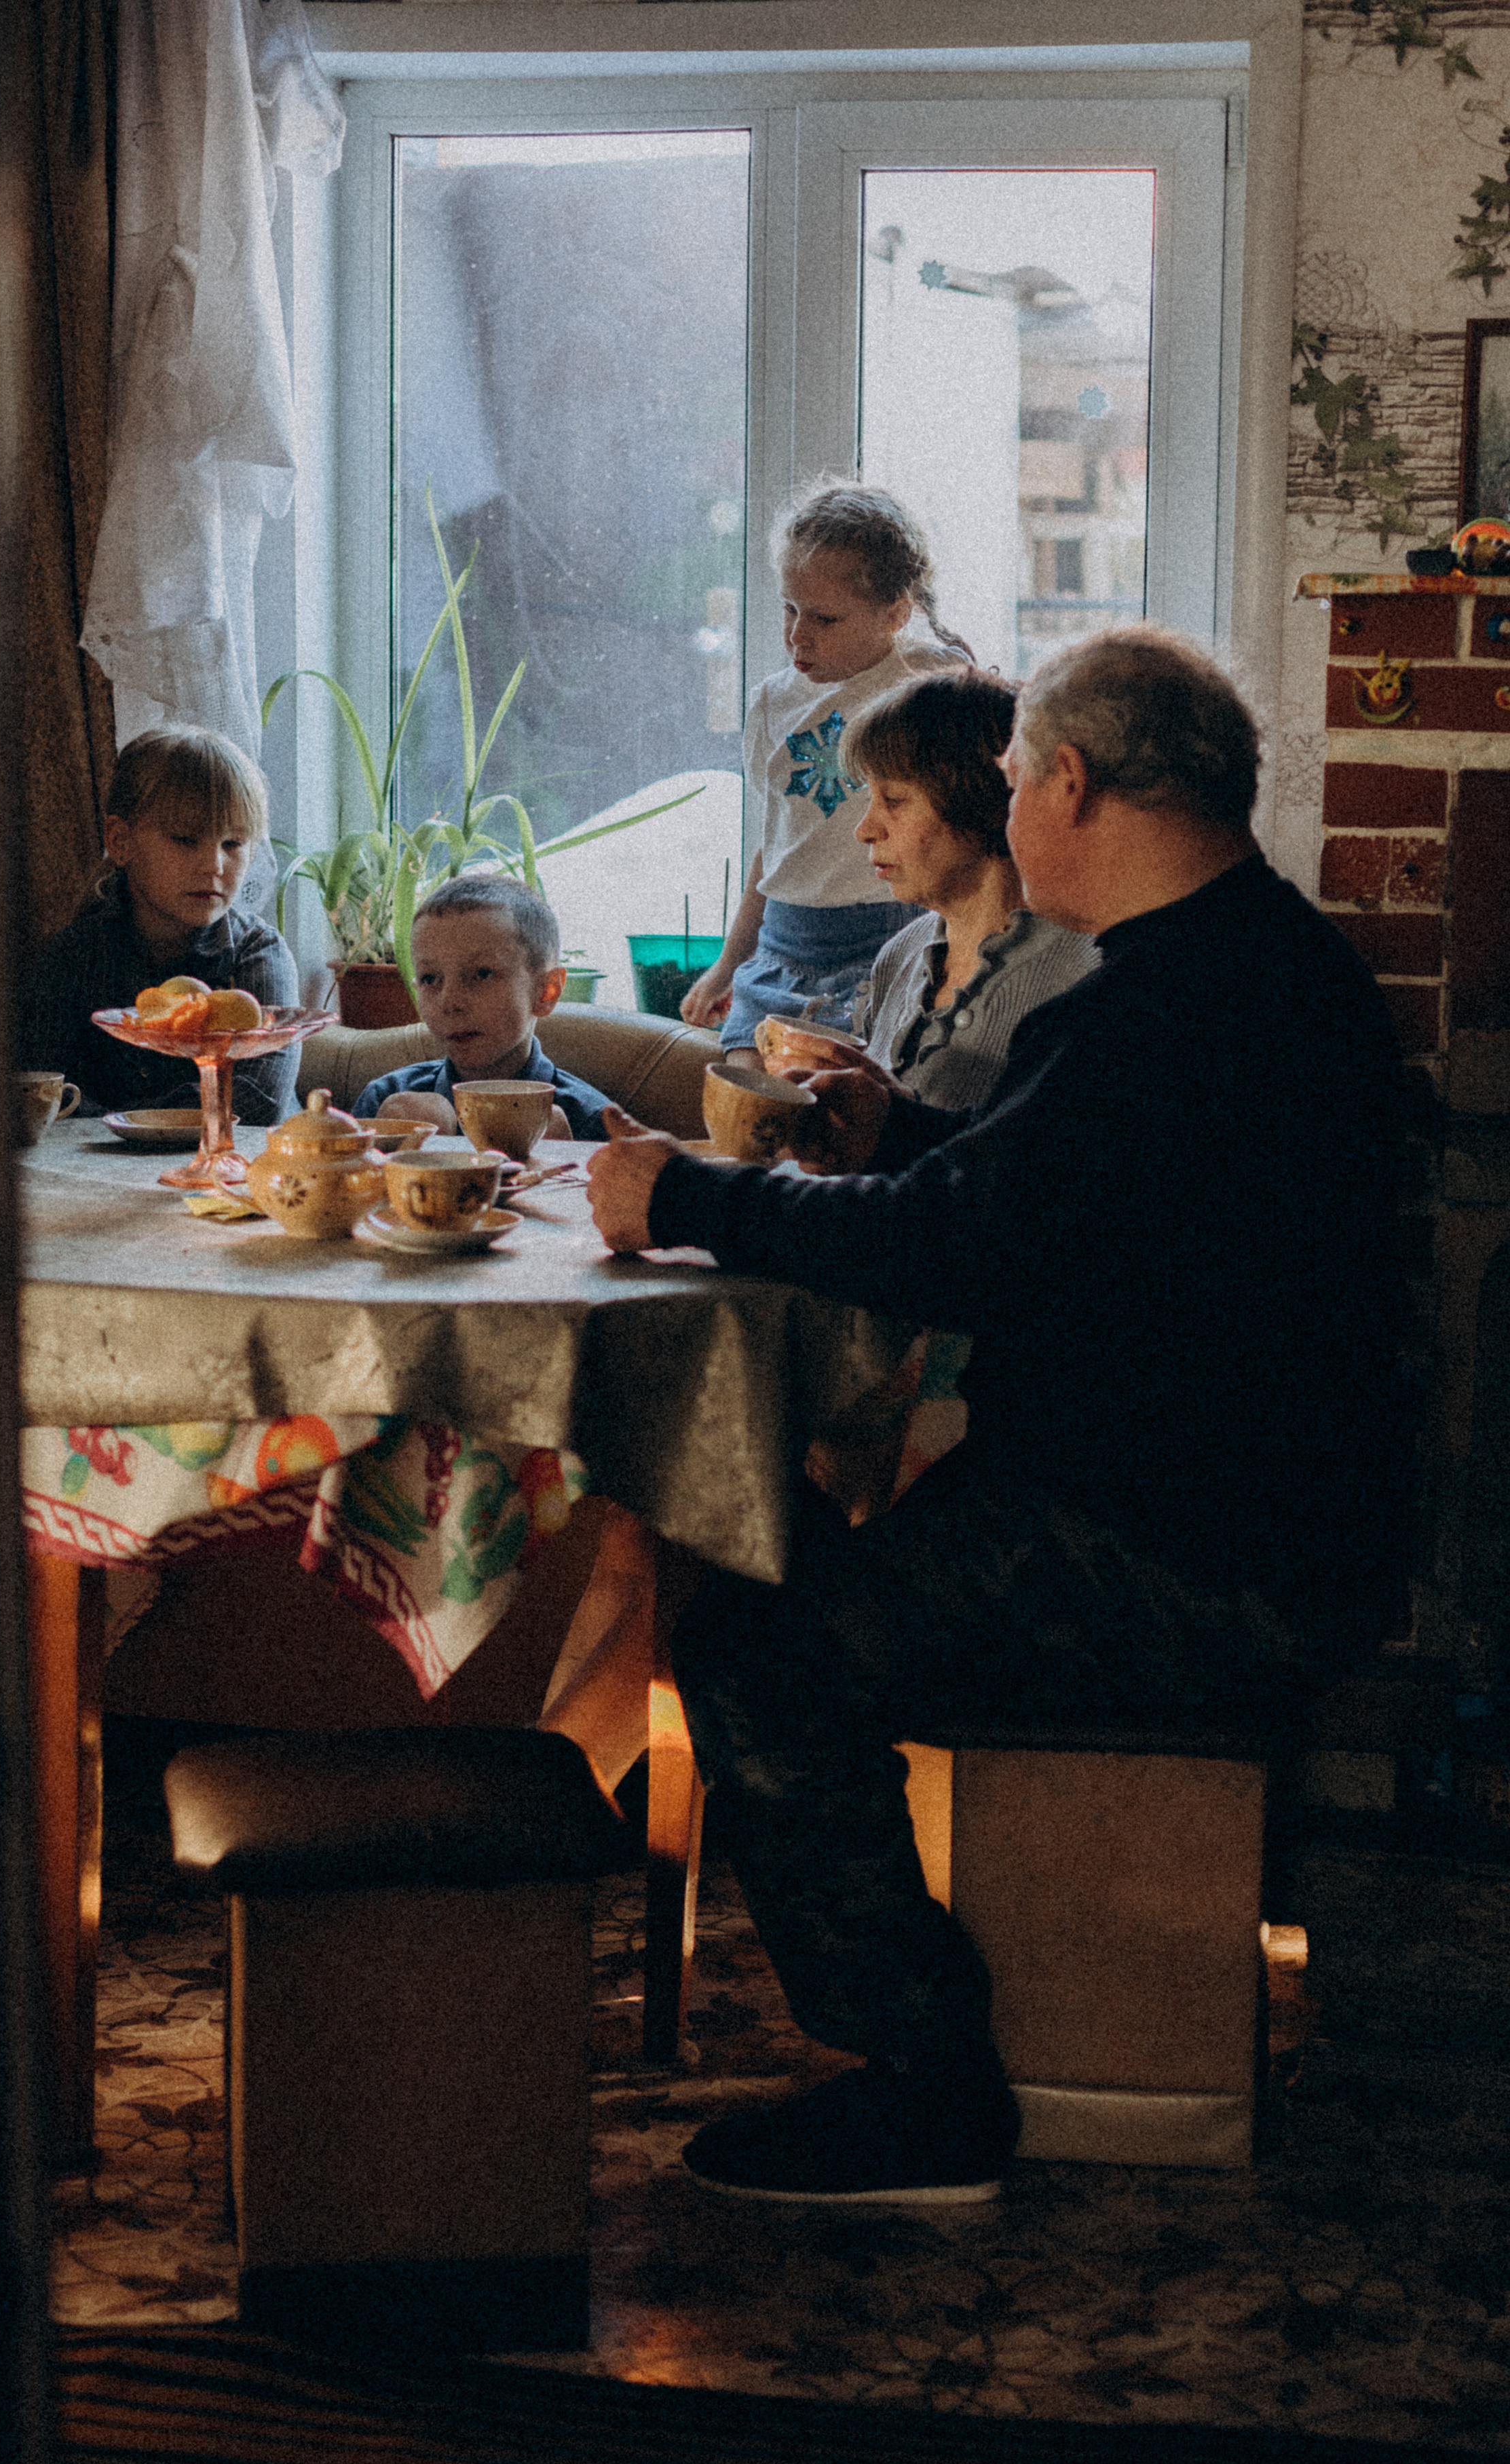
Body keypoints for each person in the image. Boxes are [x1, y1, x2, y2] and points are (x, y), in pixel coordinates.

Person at [587, 626, 1414, 2210]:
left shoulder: (1154, 1012)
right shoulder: (1255, 966)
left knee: (759, 1650)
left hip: (1181, 1557)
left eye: (1020, 776)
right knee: (804, 1594)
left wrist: (685, 1191)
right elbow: (1048, 1198)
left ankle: (923, 2090)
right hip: (1246, 1515)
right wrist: (899, 1123)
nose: (1010, 803)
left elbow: (957, 1245)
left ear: (1071, 785)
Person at [679, 480, 973, 1059]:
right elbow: (774, 851)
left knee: (845, 1112)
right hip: (781, 947)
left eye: (826, 618)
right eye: (789, 609)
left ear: (895, 614)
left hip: (891, 942)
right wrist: (727, 965)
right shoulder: (770, 705)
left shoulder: (932, 681)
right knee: (748, 1103)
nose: (798, 634)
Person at [798, 667, 1099, 1138]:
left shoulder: (1085, 975)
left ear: (978, 799)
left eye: (894, 799)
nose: (866, 829)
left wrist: (898, 1123)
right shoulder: (900, 954)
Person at [22, 725, 301, 1125]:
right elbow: (45, 1090)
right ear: (120, 841)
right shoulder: (73, 957)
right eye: (186, 839)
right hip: (106, 1176)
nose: (215, 866)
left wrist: (123, 1123)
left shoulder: (257, 955)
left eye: (233, 844)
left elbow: (257, 1099)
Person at [352, 874, 612, 1141]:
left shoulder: (591, 1122)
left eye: (482, 974)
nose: (450, 1002)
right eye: (430, 979)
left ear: (547, 991)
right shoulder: (385, 1102)